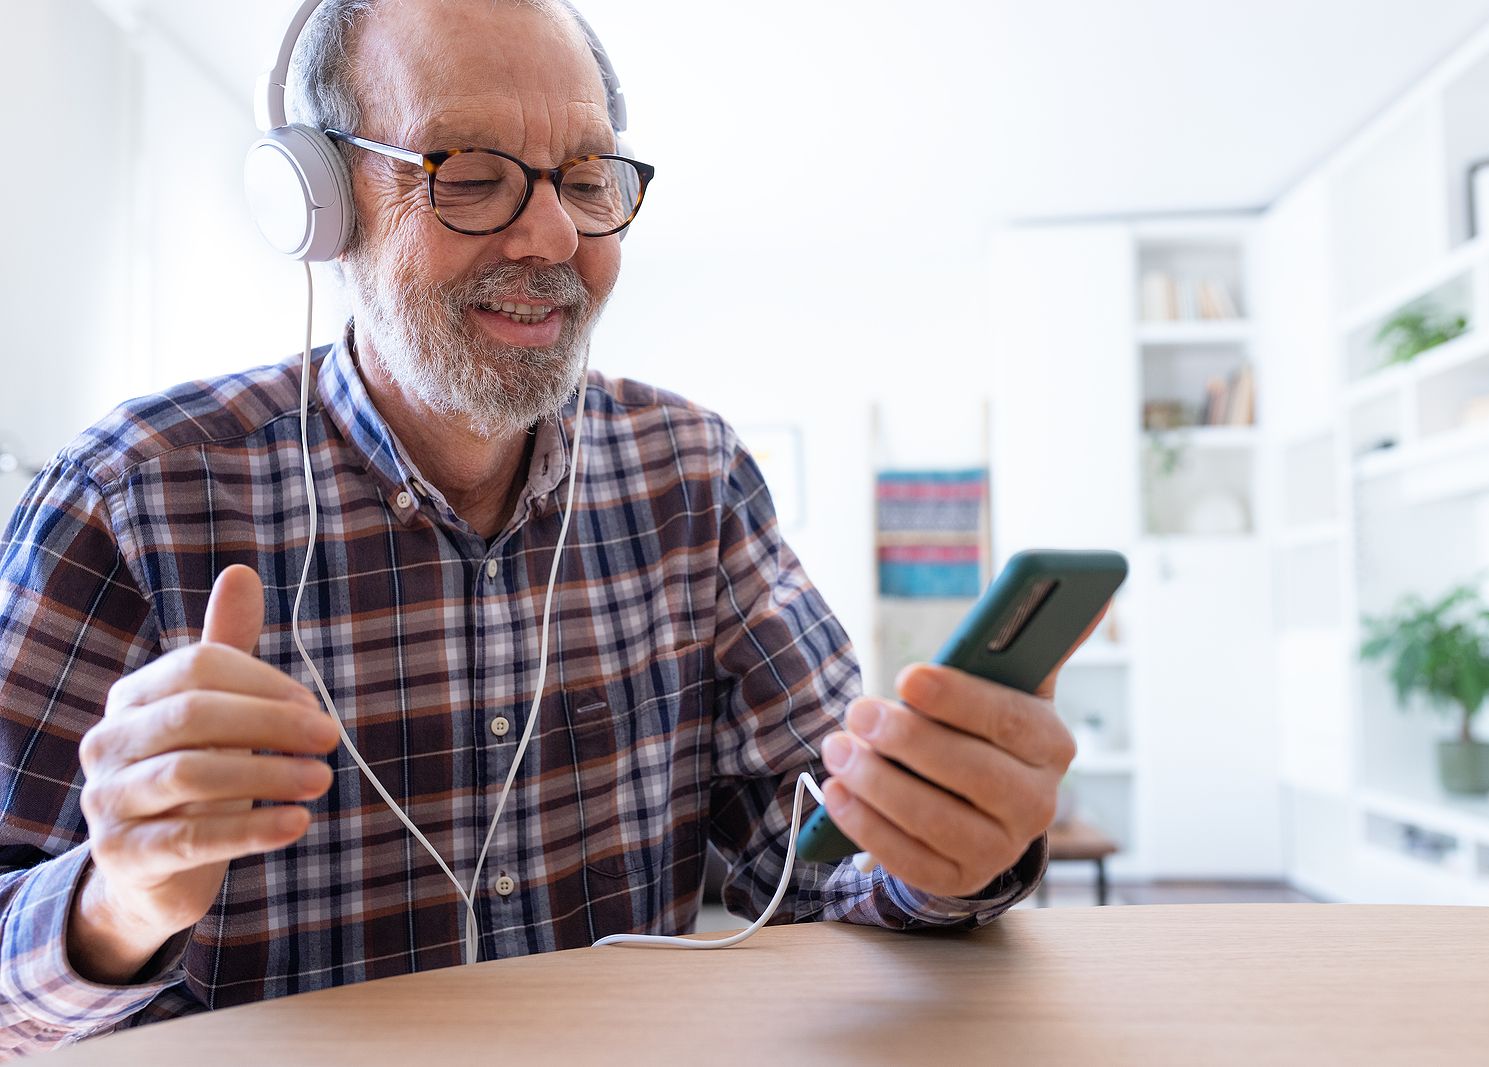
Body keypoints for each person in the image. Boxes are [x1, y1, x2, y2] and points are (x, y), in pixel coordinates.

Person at [0, 0, 1074, 1053]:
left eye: (587, 176)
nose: (554, 233)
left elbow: (806, 855)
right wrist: (115, 902)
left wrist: (943, 850)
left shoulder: (691, 472)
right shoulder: (130, 495)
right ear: (319, 201)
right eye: (467, 171)